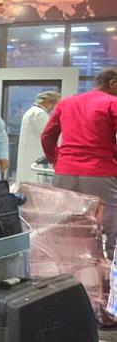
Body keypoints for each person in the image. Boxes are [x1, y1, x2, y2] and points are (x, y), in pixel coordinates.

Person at [42, 68, 117, 259]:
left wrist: (57, 160)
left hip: (64, 173)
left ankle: (65, 263)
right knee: (111, 221)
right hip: (100, 172)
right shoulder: (112, 103)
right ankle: (111, 265)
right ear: (112, 83)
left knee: (66, 221)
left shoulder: (66, 102)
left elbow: (47, 136)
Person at [16, 91, 61, 183]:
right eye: (55, 104)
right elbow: (49, 134)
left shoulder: (31, 112)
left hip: (31, 155)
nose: (54, 108)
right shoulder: (40, 114)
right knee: (35, 181)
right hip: (36, 155)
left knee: (28, 179)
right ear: (47, 102)